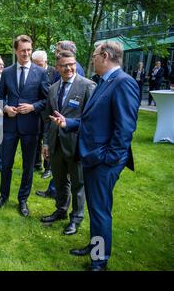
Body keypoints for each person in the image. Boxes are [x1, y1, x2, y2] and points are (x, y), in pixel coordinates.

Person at [50, 41, 139, 271]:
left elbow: (125, 129)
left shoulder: (123, 83)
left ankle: (99, 261)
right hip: (93, 157)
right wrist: (68, 122)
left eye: (95, 56)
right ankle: (95, 246)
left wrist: (109, 159)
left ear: (105, 56)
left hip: (103, 162)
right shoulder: (104, 82)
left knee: (99, 211)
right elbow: (91, 120)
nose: (92, 60)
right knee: (95, 209)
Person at [0, 35, 49, 215]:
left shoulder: (40, 72)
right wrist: (6, 107)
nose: (26, 53)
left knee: (28, 166)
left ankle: (23, 200)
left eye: (29, 50)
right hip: (9, 126)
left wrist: (32, 107)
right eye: (23, 50)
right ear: (16, 51)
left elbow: (47, 100)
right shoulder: (7, 72)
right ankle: (3, 195)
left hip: (31, 127)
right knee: (5, 163)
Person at [41, 51, 96, 236]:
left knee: (78, 184)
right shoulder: (53, 88)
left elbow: (91, 121)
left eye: (71, 64)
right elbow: (48, 119)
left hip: (76, 145)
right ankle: (61, 210)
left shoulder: (87, 86)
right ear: (57, 67)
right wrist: (46, 143)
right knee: (60, 180)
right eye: (64, 65)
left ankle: (76, 218)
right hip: (56, 144)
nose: (68, 68)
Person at [31, 50, 54, 179]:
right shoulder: (33, 72)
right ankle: (37, 164)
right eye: (35, 64)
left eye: (39, 64)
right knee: (36, 139)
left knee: (47, 140)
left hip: (48, 112)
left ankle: (48, 167)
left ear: (45, 62)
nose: (37, 67)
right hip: (35, 112)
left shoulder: (54, 72)